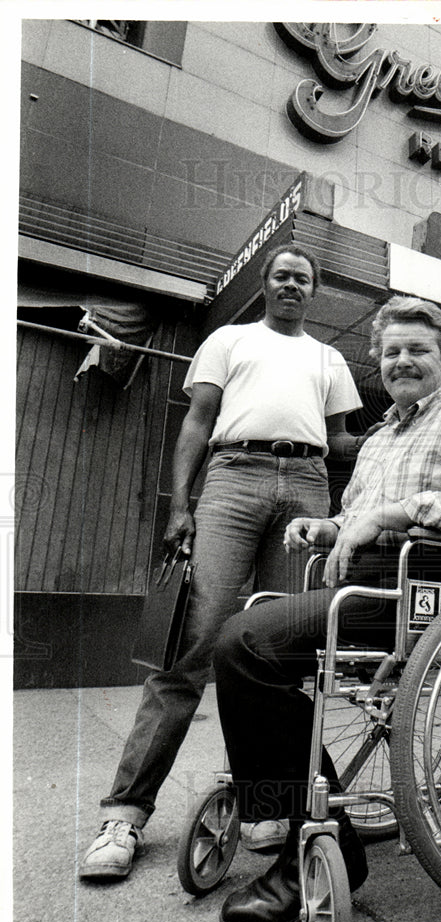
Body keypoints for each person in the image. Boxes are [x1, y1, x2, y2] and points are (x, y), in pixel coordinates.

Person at [212, 295, 441, 922]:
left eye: (419, 350)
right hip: (368, 588)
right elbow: (356, 519)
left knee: (246, 645)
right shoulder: (378, 440)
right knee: (247, 641)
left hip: (431, 589)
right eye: (393, 352)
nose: (404, 361)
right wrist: (324, 527)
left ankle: (316, 840)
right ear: (378, 362)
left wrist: (390, 515)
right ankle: (297, 814)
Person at [79, 244, 364, 880]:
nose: (292, 285)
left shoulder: (329, 357)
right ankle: (124, 813)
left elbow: (342, 437)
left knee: (282, 651)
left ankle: (267, 804)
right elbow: (197, 422)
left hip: (309, 481)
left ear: (313, 292)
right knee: (191, 646)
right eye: (283, 276)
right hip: (233, 476)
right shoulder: (230, 341)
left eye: (303, 279)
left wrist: (407, 420)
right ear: (266, 284)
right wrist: (181, 504)